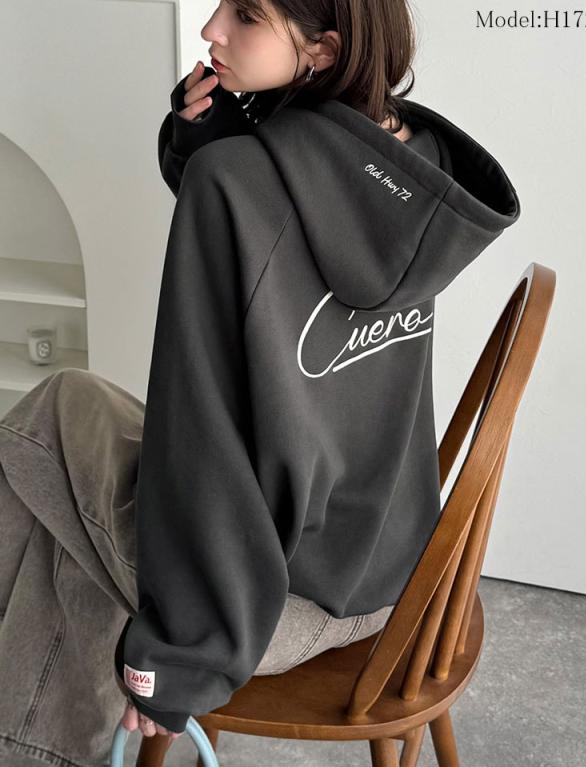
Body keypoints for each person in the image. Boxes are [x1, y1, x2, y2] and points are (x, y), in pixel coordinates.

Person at [0, 0, 521, 763]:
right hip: (397, 571)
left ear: (323, 50)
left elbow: (204, 437)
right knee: (73, 406)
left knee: (40, 433)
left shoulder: (234, 183)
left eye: (246, 14)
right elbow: (282, 263)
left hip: (265, 602)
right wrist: (207, 141)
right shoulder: (411, 170)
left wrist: (177, 658)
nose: (211, 29)